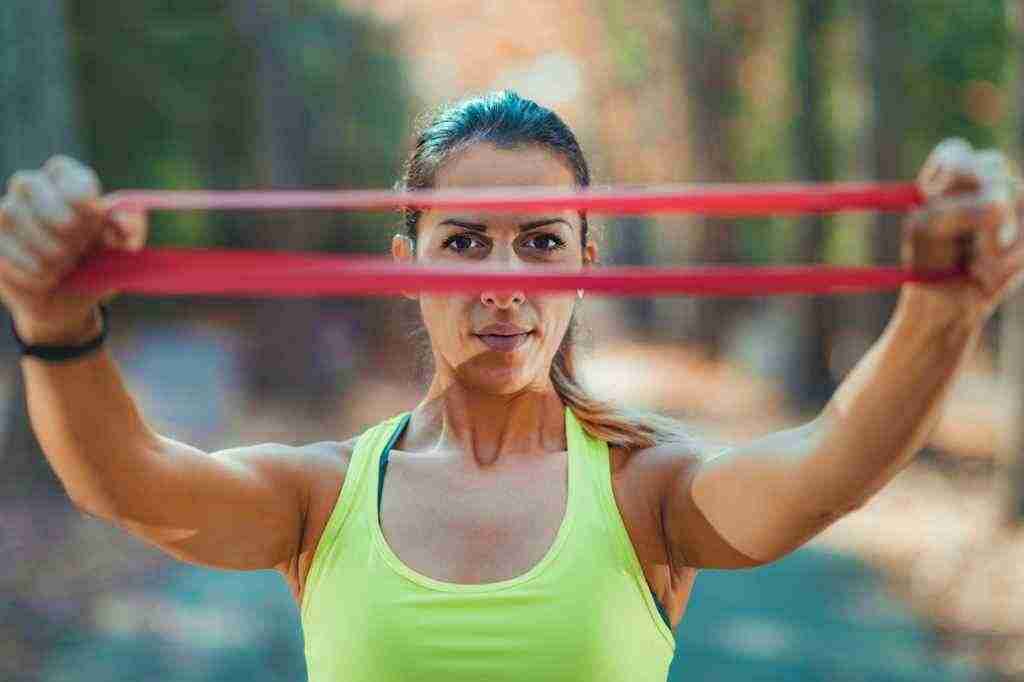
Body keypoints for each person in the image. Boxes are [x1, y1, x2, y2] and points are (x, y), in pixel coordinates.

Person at [2, 90, 1022, 681]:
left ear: (585, 255)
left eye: (540, 242)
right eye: (464, 242)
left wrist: (941, 310)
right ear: (408, 259)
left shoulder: (645, 488)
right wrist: (55, 323)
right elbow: (128, 480)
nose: (502, 282)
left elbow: (826, 468)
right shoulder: (320, 494)